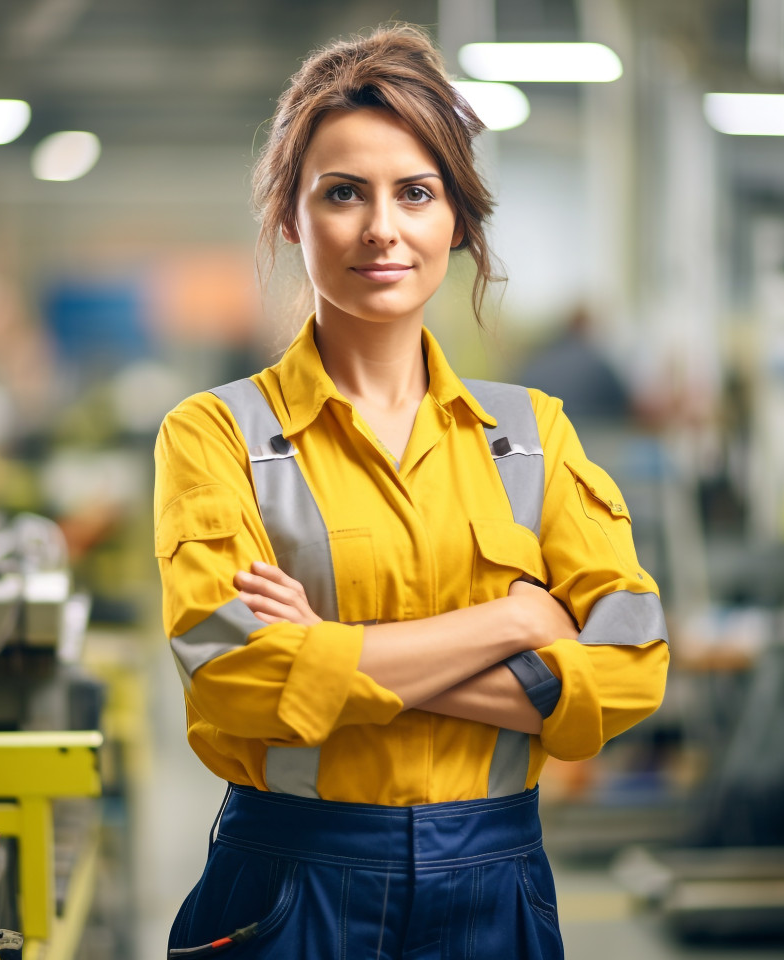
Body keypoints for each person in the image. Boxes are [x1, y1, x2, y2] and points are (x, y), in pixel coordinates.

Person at [154, 23, 669, 960]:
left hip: (497, 885)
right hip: (292, 884)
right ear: (289, 219)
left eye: (416, 193)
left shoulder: (532, 436)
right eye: (342, 193)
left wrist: (330, 654)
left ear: (458, 222)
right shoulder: (215, 435)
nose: (381, 228)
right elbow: (237, 681)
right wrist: (517, 623)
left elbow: (631, 669)